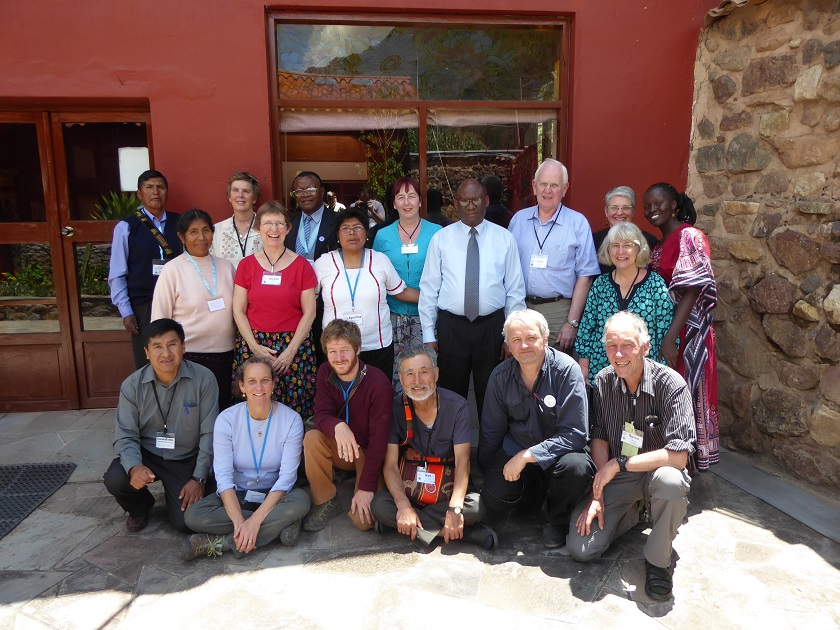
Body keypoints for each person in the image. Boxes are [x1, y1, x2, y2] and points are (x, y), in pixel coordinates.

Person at [567, 312, 696, 602]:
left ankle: (658, 562)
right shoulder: (602, 381)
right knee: (582, 548)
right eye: (612, 346)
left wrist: (620, 463)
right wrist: (598, 489)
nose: (619, 354)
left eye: (627, 345)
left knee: (671, 483)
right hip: (620, 475)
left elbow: (678, 457)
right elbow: (598, 434)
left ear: (645, 347)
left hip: (657, 471)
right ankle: (635, 512)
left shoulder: (672, 385)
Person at [479, 309, 595, 548]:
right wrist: (488, 475)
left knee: (576, 468)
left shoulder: (567, 370)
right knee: (494, 495)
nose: (524, 346)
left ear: (545, 338)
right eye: (516, 340)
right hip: (517, 448)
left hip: (560, 454)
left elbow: (576, 434)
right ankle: (535, 500)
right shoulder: (500, 376)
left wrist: (527, 456)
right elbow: (491, 432)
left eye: (531, 338)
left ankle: (556, 519)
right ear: (508, 346)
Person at [181, 357, 311, 561]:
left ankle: (221, 543)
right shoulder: (226, 419)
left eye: (265, 380)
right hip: (238, 495)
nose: (258, 387)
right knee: (193, 516)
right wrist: (241, 521)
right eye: (251, 381)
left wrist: (255, 522)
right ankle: (281, 525)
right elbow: (223, 477)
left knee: (301, 501)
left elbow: (286, 478)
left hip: (275, 495)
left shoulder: (291, 420)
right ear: (242, 385)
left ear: (273, 384)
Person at [419, 178, 526, 421]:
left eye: (475, 200)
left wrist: (512, 336)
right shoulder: (441, 239)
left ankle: (490, 457)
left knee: (492, 396)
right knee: (449, 396)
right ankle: (451, 454)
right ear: (455, 204)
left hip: (492, 327)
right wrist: (429, 334)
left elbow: (514, 291)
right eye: (464, 201)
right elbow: (429, 289)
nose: (470, 206)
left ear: (486, 201)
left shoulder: (504, 239)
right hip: (451, 327)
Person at [371, 344, 497, 548]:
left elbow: (463, 461)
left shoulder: (458, 406)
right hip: (410, 489)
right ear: (401, 379)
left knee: (476, 506)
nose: (417, 381)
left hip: (446, 491)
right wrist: (403, 506)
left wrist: (455, 507)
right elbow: (391, 465)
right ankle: (466, 533)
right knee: (379, 505)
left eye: (424, 372)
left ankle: (405, 526)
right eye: (409, 374)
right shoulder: (394, 408)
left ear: (436, 374)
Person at [103, 318, 217, 533]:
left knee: (185, 523)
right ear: (146, 352)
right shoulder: (132, 385)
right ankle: (141, 507)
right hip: (148, 454)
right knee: (116, 478)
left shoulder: (204, 379)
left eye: (172, 344)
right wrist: (135, 467)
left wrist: (198, 478)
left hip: (185, 456)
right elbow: (125, 434)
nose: (165, 353)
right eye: (157, 346)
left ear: (183, 347)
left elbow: (209, 433)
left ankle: (191, 491)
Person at [643, 182, 718, 471]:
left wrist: (671, 336)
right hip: (668, 332)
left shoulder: (689, 236)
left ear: (674, 204)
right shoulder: (660, 245)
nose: (652, 210)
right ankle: (668, 459)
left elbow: (694, 288)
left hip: (688, 333)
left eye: (659, 203)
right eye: (647, 206)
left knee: (686, 392)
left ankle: (685, 464)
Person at [302, 320, 392, 532]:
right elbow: (321, 414)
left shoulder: (378, 383)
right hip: (341, 446)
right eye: (332, 351)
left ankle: (367, 488)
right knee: (312, 438)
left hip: (368, 453)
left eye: (345, 350)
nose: (339, 358)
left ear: (358, 349)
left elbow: (380, 442)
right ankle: (326, 500)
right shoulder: (325, 371)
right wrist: (338, 425)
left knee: (363, 522)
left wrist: (366, 488)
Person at [233, 201, 318, 418]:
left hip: (294, 346)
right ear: (257, 228)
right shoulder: (246, 265)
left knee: (294, 407)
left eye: (280, 224)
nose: (274, 229)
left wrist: (290, 352)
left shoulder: (302, 266)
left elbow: (310, 312)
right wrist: (254, 346)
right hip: (255, 344)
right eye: (268, 223)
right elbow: (238, 310)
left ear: (288, 229)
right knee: (256, 405)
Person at [314, 206, 419, 379]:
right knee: (341, 399)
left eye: (357, 227)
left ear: (366, 233)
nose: (352, 233)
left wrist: (435, 299)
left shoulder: (379, 260)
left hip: (377, 345)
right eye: (346, 228)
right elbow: (309, 300)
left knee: (377, 395)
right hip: (337, 349)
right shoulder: (323, 264)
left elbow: (401, 291)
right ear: (337, 236)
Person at [507, 159, 600, 352]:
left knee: (555, 372)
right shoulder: (518, 220)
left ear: (564, 189)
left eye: (554, 185)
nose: (547, 190)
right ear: (534, 186)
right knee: (524, 368)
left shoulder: (577, 223)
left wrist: (571, 323)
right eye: (543, 184)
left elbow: (586, 276)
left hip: (558, 311)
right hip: (521, 307)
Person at [152, 209, 237, 411]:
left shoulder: (227, 267)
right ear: (181, 236)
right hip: (188, 357)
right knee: (191, 413)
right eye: (193, 232)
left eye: (206, 230)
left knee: (221, 410)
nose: (201, 237)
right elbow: (160, 320)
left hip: (225, 356)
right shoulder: (172, 270)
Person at [574, 222, 673, 384]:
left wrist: (661, 374)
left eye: (627, 245)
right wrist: (584, 366)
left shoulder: (655, 284)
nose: (621, 251)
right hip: (602, 373)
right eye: (615, 246)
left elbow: (665, 331)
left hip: (645, 373)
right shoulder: (600, 284)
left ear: (638, 249)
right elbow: (586, 329)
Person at [109, 170, 183, 369]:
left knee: (180, 356)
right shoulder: (126, 227)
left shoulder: (181, 223)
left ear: (167, 192)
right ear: (140, 194)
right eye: (149, 187)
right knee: (149, 361)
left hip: (179, 302)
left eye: (160, 187)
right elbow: (117, 273)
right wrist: (126, 310)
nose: (155, 192)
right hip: (144, 303)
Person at [372, 176, 442, 382]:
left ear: (420, 201)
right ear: (393, 203)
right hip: (393, 317)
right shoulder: (382, 235)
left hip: (429, 316)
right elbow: (376, 276)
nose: (407, 202)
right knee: (398, 373)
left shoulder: (437, 233)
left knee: (426, 370)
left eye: (412, 196)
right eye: (400, 197)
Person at [284, 171, 339, 366]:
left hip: (327, 302)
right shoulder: (288, 223)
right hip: (295, 302)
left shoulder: (337, 221)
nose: (305, 194)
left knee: (327, 354)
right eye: (299, 190)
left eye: (310, 189)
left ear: (322, 192)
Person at [591, 186, 658, 274]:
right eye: (614, 208)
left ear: (633, 211)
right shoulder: (593, 241)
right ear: (606, 212)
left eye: (626, 208)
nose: (619, 213)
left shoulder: (649, 241)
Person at [210, 172, 263, 269]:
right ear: (230, 197)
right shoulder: (217, 230)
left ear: (254, 198)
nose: (240, 195)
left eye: (246, 191)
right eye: (235, 190)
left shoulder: (266, 228)